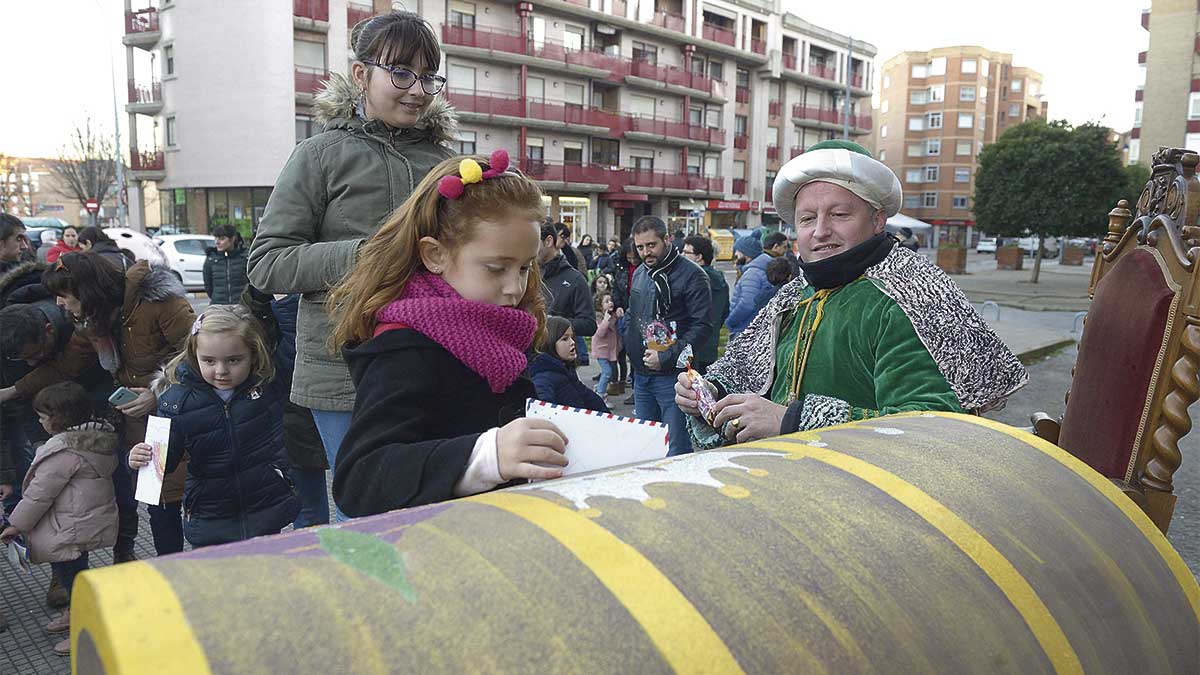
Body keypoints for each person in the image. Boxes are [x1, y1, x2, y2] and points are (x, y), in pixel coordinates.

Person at [676, 140, 1027, 449]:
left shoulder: (911, 296)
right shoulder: (796, 294)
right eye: (807, 219)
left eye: (840, 214)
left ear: (877, 220)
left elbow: (929, 430)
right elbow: (744, 370)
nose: (820, 231)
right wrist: (711, 394)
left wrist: (792, 423)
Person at [248, 12, 457, 522]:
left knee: (431, 502)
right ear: (361, 74)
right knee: (364, 512)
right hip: (342, 368)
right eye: (401, 73)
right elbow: (267, 263)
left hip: (433, 358)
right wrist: (364, 255)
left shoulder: (444, 162)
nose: (417, 90)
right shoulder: (318, 156)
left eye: (429, 76)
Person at [326, 150, 567, 517]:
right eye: (495, 268)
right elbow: (359, 478)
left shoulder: (499, 326)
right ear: (434, 255)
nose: (514, 288)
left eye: (524, 268)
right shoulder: (404, 346)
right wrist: (488, 455)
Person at [0, 252, 195, 555]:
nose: (59, 303)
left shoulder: (161, 303)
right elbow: (67, 365)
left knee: (201, 502)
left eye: (63, 295)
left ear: (88, 291)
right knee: (159, 504)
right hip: (145, 428)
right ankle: (171, 573)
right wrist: (13, 390)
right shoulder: (94, 322)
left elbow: (199, 353)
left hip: (186, 417)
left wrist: (157, 392)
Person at [128, 305, 301, 547]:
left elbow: (294, 341)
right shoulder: (175, 401)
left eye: (234, 360)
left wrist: (282, 301)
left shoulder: (268, 384)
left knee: (265, 578)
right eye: (209, 360)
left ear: (253, 354)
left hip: (266, 507)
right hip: (210, 517)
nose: (221, 371)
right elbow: (160, 465)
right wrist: (138, 458)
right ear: (193, 354)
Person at [1, 382, 118, 657]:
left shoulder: (63, 453)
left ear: (58, 421)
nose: (39, 422)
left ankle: (83, 628)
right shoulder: (96, 439)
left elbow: (39, 496)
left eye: (42, 417)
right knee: (75, 574)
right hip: (79, 523)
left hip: (68, 527)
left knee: (74, 579)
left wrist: (15, 524)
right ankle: (72, 613)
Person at [242, 288, 330, 528]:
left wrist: (287, 304)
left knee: (309, 510)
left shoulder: (292, 303)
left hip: (294, 422)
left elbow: (296, 355)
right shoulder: (254, 303)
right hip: (275, 424)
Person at [624, 216, 711, 456]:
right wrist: (628, 343)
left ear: (667, 239)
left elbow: (702, 327)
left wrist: (666, 357)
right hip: (641, 375)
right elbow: (634, 313)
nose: (645, 252)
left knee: (676, 450)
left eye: (651, 245)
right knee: (646, 447)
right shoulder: (641, 272)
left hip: (673, 377)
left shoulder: (693, 275)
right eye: (640, 247)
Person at [538, 221, 596, 366]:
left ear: (548, 241)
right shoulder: (525, 274)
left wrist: (553, 323)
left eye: (532, 243)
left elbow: (589, 324)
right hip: (526, 365)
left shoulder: (575, 279)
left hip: (559, 367)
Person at [530, 316, 610, 413]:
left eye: (572, 337)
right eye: (565, 339)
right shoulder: (544, 376)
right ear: (549, 342)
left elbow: (588, 397)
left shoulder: (565, 369)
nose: (572, 342)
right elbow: (542, 410)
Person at [682, 235, 729, 374]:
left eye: (686, 252)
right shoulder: (721, 280)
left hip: (692, 345)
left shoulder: (693, 279)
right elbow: (725, 311)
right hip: (711, 343)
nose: (682, 255)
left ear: (699, 257)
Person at [726, 236, 775, 337]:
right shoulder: (761, 269)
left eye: (738, 251)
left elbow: (747, 304)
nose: (736, 254)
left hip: (744, 328)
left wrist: (730, 321)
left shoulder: (752, 274)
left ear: (746, 254)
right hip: (754, 327)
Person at [202, 225, 250, 304]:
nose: (217, 242)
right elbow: (208, 286)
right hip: (218, 306)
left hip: (242, 305)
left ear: (232, 239)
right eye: (216, 238)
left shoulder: (244, 257)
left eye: (222, 239)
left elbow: (252, 283)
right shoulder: (211, 259)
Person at [590, 292, 621, 405]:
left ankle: (598, 387)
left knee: (608, 371)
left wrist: (618, 314)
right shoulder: (599, 317)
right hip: (601, 350)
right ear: (599, 305)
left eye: (611, 300)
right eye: (607, 301)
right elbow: (600, 333)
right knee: (607, 372)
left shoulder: (610, 315)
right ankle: (601, 394)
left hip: (609, 350)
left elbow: (615, 323)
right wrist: (606, 320)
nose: (610, 303)